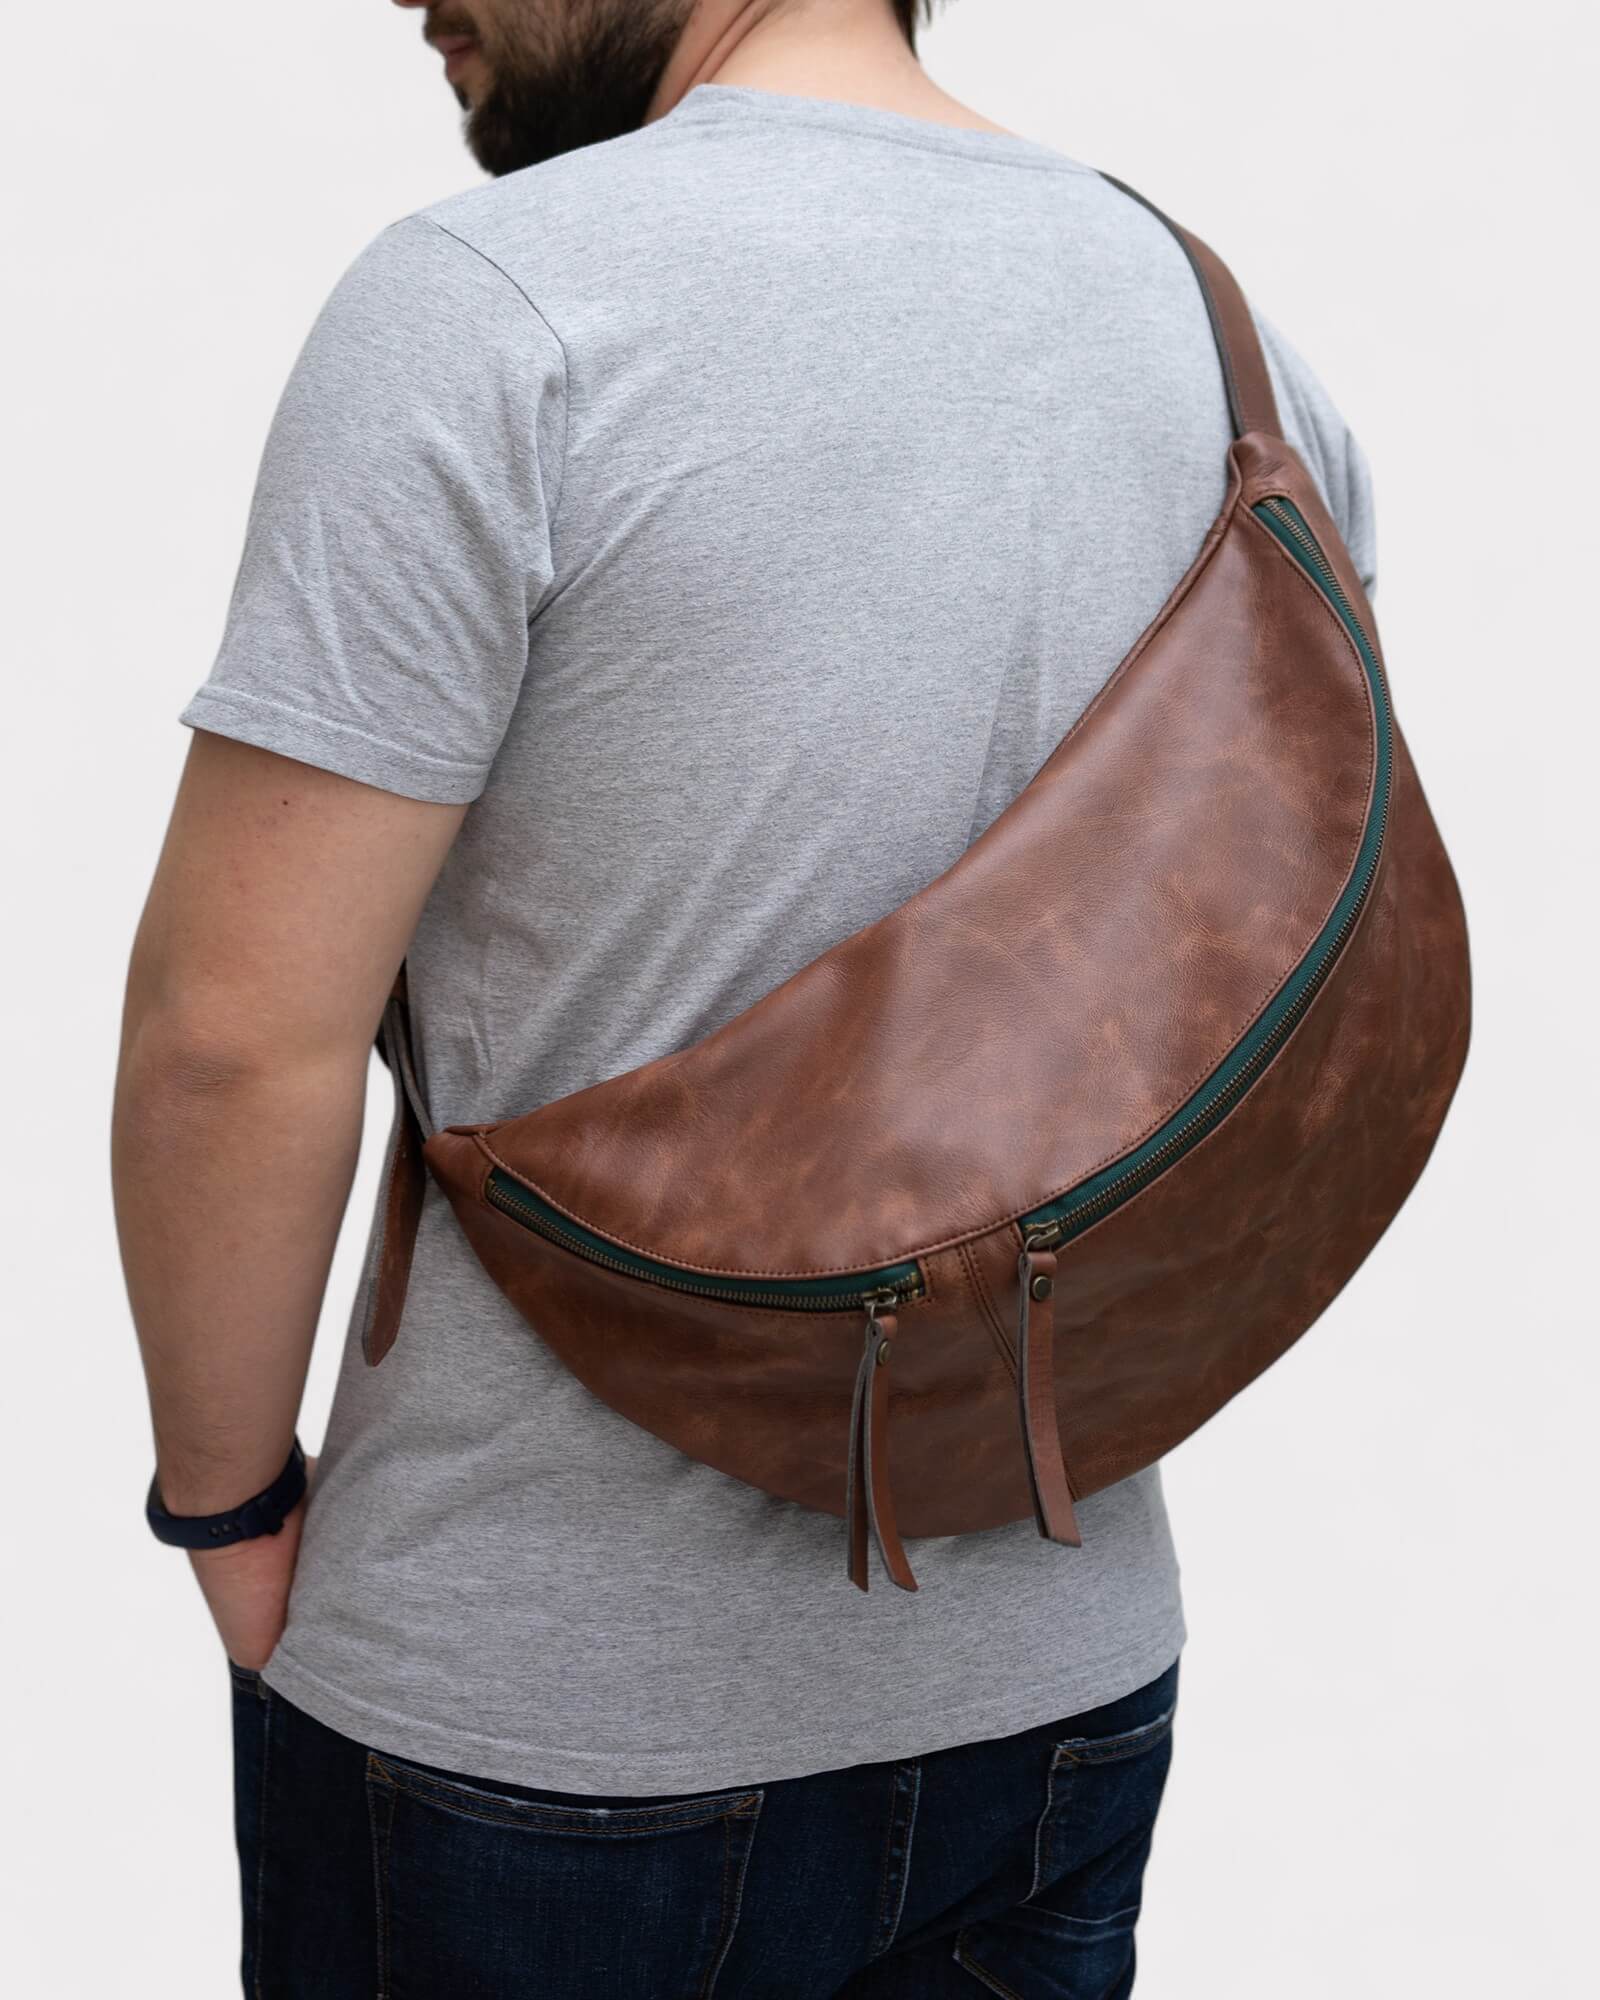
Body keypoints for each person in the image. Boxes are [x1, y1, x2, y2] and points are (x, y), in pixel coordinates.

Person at [112, 2, 1376, 1993]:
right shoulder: (1226, 341)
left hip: (531, 1712)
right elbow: (1271, 990)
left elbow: (231, 1041)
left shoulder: (493, 308)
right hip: (1055, 1678)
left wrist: (227, 1507)